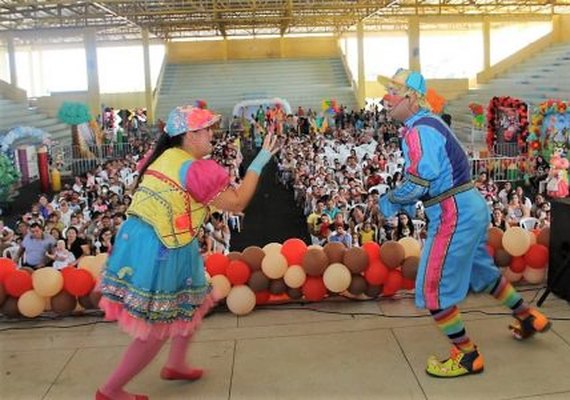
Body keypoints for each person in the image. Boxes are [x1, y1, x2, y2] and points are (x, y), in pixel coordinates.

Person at [96, 105, 279, 400]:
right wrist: (260, 160)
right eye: (206, 129)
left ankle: (176, 364)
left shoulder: (165, 157)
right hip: (162, 248)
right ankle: (110, 390)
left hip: (160, 240)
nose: (212, 134)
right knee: (157, 327)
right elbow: (237, 202)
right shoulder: (194, 169)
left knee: (191, 303)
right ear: (189, 135)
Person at [377, 69, 550, 378]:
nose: (384, 98)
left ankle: (467, 355)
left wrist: (390, 200)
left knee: (432, 290)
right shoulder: (429, 124)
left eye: (392, 91)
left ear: (411, 99)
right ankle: (528, 316)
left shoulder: (418, 131)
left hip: (452, 213)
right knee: (482, 274)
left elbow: (419, 180)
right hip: (470, 207)